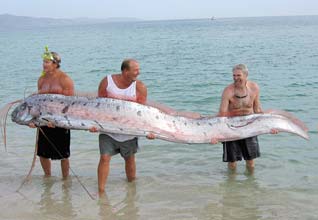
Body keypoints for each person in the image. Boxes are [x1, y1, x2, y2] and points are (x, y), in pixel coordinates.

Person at [91, 59, 154, 193]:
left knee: (129, 159)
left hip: (129, 131)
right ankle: (101, 191)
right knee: (104, 158)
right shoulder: (107, 82)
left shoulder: (140, 87)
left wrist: (149, 131)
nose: (139, 73)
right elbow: (98, 106)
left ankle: (132, 191)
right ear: (125, 71)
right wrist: (94, 124)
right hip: (108, 130)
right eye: (135, 70)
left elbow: (142, 113)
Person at [211, 64, 277, 171]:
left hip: (249, 126)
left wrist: (270, 127)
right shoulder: (228, 91)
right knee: (232, 163)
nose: (236, 78)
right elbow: (222, 115)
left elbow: (257, 110)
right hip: (231, 128)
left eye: (238, 75)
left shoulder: (254, 88)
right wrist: (216, 135)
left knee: (250, 162)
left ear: (246, 75)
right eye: (234, 76)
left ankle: (251, 186)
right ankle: (231, 186)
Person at [29, 47, 74, 178]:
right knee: (42, 153)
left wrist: (56, 120)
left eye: (47, 62)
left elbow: (70, 104)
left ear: (55, 64)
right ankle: (47, 178)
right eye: (43, 61)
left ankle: (65, 180)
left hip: (60, 121)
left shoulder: (64, 79)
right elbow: (38, 103)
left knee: (63, 155)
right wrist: (34, 120)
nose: (44, 64)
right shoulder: (41, 80)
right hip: (43, 120)